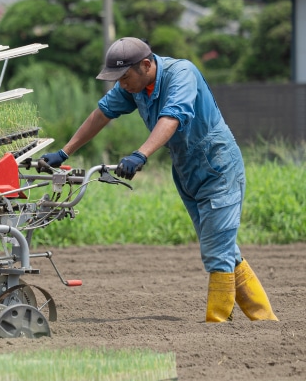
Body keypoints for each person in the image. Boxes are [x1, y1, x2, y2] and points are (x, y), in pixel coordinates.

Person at [41, 37, 278, 323]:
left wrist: (141, 154)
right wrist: (64, 152)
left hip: (217, 165)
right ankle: (264, 320)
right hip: (186, 168)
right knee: (221, 245)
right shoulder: (134, 85)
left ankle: (218, 322)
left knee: (217, 250)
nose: (122, 84)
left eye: (125, 76)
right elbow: (102, 113)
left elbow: (172, 117)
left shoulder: (182, 74)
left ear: (146, 65)